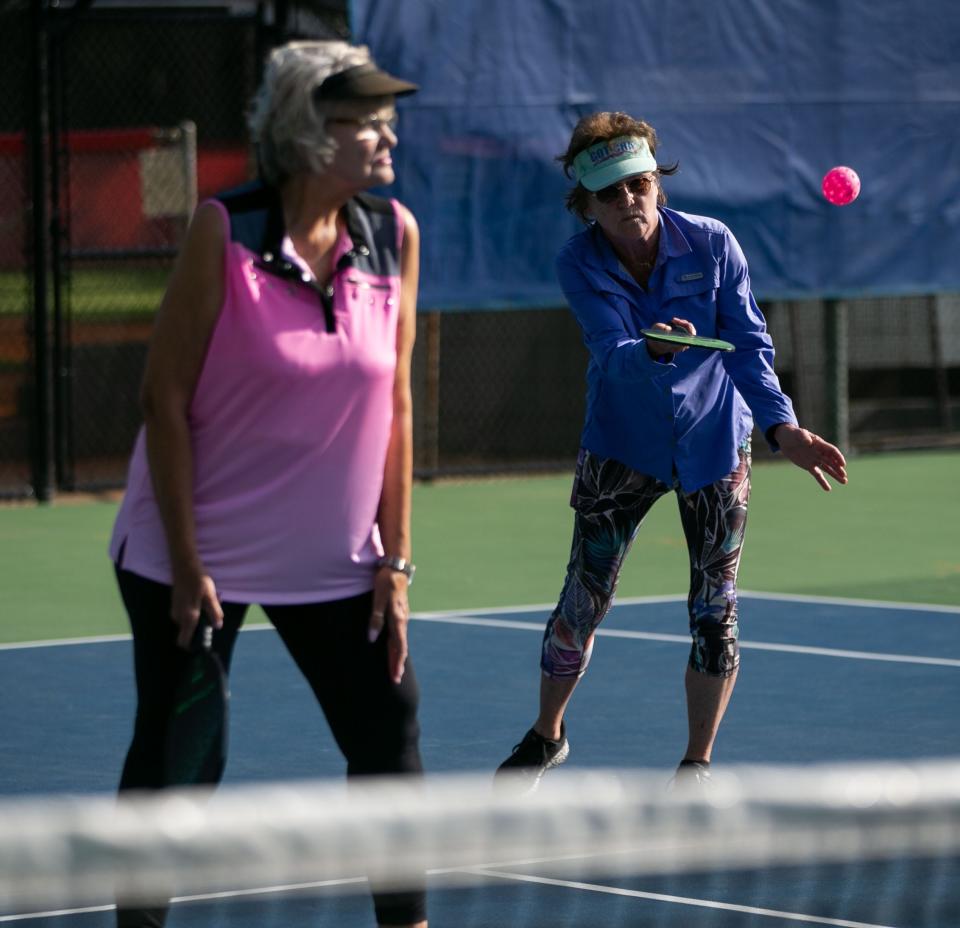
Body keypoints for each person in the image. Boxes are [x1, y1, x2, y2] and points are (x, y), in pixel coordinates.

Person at [108, 41, 427, 928]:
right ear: (307, 134)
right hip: (194, 554)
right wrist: (185, 564)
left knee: (389, 733)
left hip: (333, 558)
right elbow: (162, 400)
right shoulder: (227, 230)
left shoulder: (392, 236)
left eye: (384, 118)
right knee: (181, 762)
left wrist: (395, 560)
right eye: (363, 120)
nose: (384, 133)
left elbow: (397, 409)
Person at [495, 112, 848, 793]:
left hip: (716, 443)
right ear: (587, 203)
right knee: (581, 603)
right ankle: (547, 736)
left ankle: (697, 766)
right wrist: (652, 349)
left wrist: (783, 429)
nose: (630, 200)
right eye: (612, 192)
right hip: (621, 445)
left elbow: (749, 347)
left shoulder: (713, 244)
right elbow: (611, 352)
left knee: (715, 614)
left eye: (641, 183)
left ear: (658, 182)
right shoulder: (578, 262)